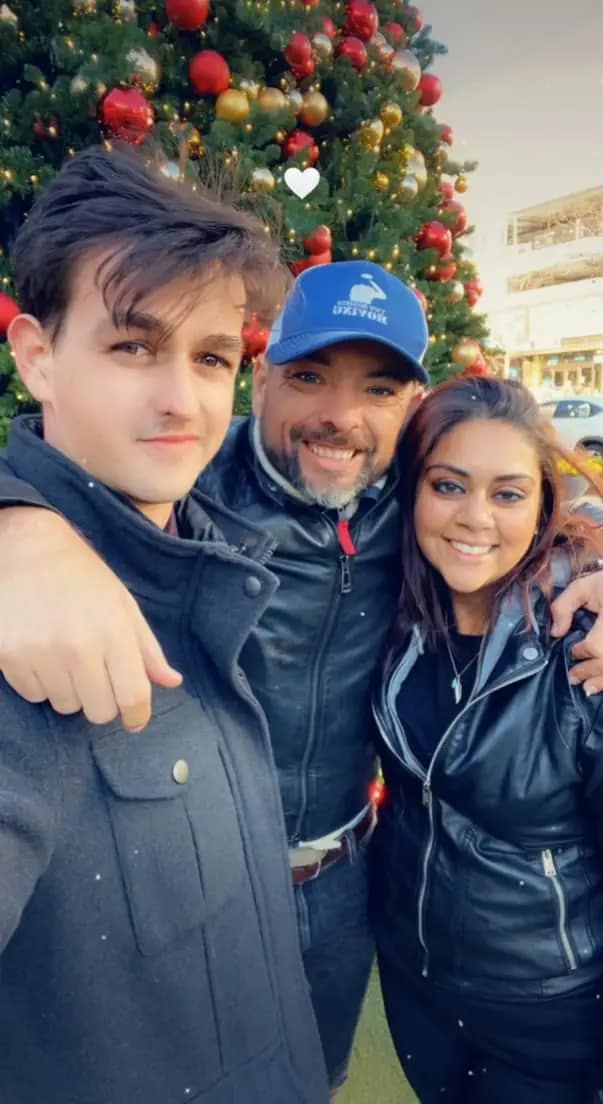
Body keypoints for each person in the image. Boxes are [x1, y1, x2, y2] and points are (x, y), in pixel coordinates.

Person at [2, 261, 603, 1092]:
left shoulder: (422, 509)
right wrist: (16, 523)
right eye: (310, 375)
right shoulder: (185, 494)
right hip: (190, 887)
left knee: (305, 1082)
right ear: (260, 374)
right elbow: (63, 468)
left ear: (408, 411)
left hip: (345, 886)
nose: (341, 416)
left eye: (380, 390)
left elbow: (528, 512)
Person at [0, 144, 330, 1104]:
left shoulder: (207, 553)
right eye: (133, 346)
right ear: (36, 358)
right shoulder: (29, 641)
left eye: (213, 357)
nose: (182, 400)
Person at [371, 375, 603, 1104]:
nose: (474, 518)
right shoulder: (390, 613)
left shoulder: (583, 647)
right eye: (447, 485)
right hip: (415, 980)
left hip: (545, 1005)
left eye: (506, 494)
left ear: (539, 508)